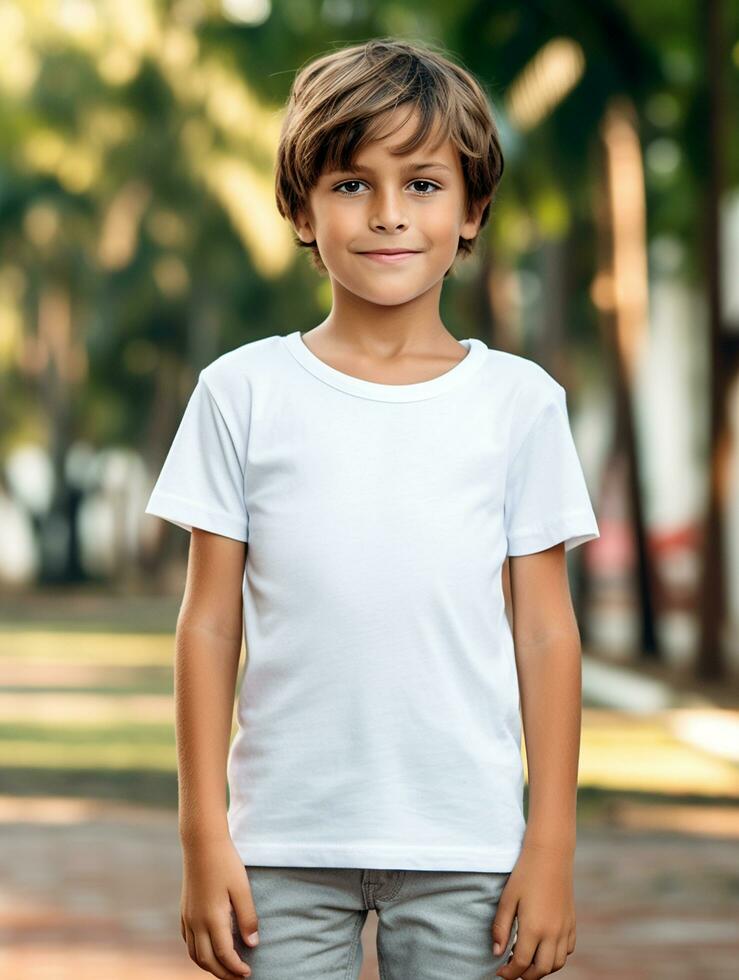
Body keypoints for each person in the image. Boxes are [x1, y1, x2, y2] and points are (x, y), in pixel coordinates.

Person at [144, 37, 600, 980]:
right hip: (279, 846)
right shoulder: (242, 392)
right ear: (300, 209)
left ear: (473, 208)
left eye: (424, 184)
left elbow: (546, 633)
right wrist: (202, 836)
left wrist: (548, 845)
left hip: (465, 846)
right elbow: (208, 622)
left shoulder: (520, 404)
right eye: (352, 184)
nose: (389, 215)